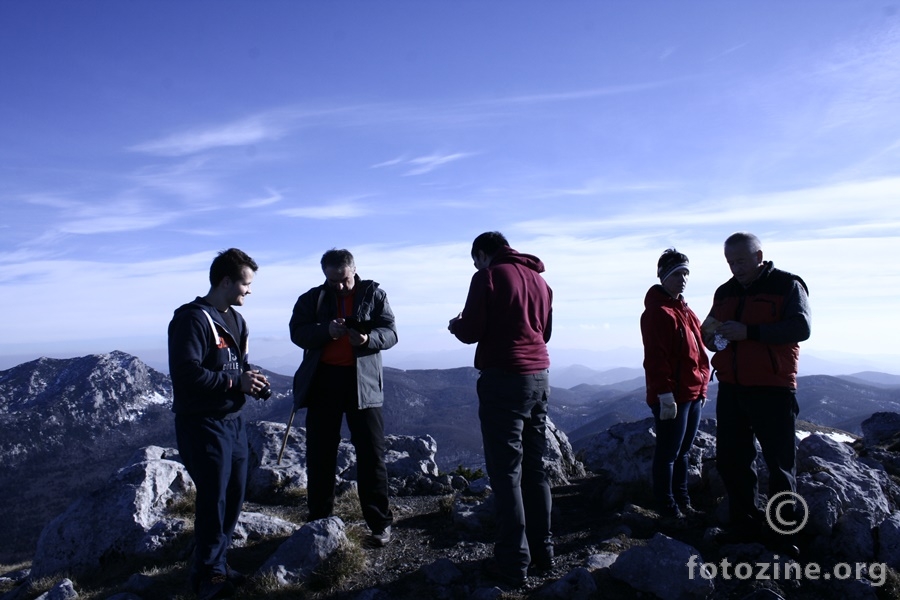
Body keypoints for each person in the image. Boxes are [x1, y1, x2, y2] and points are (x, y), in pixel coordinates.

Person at [448, 231, 553, 587]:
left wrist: (456, 325)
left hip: (504, 379)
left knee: (507, 472)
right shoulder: (540, 280)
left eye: (475, 260)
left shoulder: (487, 276)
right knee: (535, 469)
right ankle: (543, 551)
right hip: (539, 376)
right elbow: (546, 332)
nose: (476, 265)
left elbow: (472, 330)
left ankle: (512, 563)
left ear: (482, 254)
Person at [168, 248, 270, 600]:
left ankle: (217, 564)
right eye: (245, 283)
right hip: (202, 423)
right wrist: (233, 383)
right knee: (213, 501)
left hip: (233, 422)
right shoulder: (193, 319)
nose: (249, 291)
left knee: (233, 496)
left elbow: (235, 364)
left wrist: (250, 380)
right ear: (226, 281)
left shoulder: (236, 321)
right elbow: (185, 374)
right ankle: (208, 577)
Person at [701, 232, 810, 549]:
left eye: (741, 261)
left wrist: (749, 332)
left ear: (759, 257)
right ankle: (743, 525)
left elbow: (801, 328)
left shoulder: (788, 285)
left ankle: (783, 532)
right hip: (733, 388)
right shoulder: (724, 292)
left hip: (773, 388)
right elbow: (708, 328)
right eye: (730, 262)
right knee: (733, 460)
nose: (736, 267)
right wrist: (711, 337)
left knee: (779, 465)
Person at [289, 249, 397, 546]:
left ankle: (379, 523)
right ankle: (319, 521)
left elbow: (390, 333)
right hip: (324, 381)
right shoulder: (313, 298)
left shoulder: (373, 294)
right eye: (332, 280)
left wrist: (367, 339)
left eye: (344, 279)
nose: (338, 286)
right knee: (320, 453)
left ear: (354, 270)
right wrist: (326, 331)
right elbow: (297, 333)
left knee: (372, 454)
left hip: (363, 384)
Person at [640, 248, 711, 520]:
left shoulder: (686, 311)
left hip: (692, 394)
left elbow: (700, 353)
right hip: (673, 397)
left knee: (683, 452)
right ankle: (667, 508)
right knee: (668, 453)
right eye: (677, 273)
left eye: (686, 273)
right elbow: (655, 359)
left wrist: (703, 388)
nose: (683, 279)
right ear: (663, 275)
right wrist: (664, 394)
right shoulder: (657, 313)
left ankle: (683, 502)